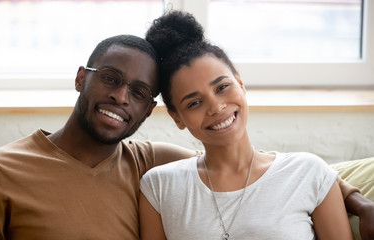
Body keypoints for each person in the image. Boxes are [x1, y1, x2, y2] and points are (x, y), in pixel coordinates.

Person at [0, 33, 373, 239]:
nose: (121, 97)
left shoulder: (149, 162)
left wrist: (355, 199)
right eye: (111, 80)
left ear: (151, 109)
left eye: (138, 92)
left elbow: (254, 165)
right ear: (82, 78)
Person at [139, 11, 369, 240]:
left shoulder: (308, 172)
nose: (216, 107)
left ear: (240, 83)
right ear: (177, 117)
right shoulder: (159, 186)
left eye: (222, 87)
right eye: (195, 102)